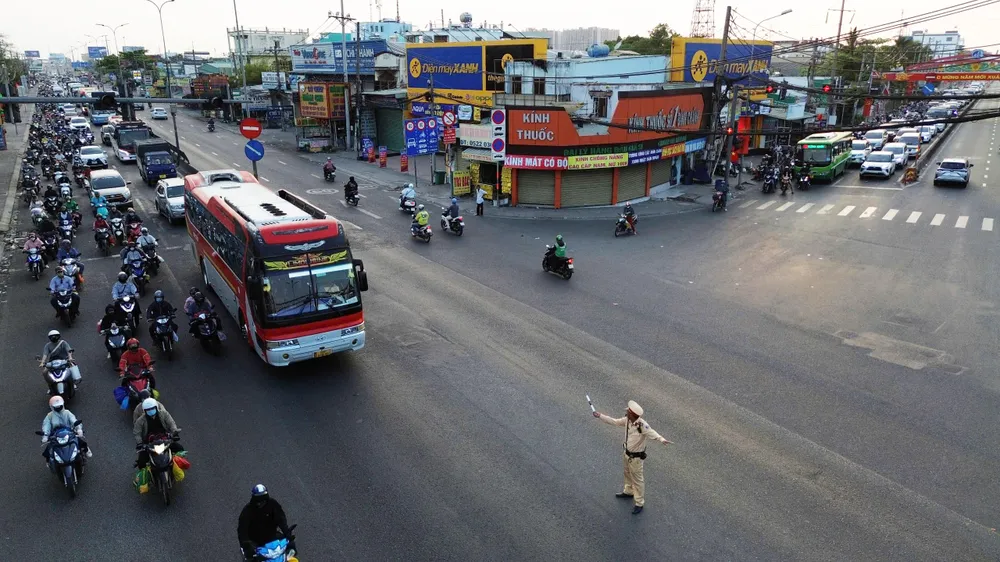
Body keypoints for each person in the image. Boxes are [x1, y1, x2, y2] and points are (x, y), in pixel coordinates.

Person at [592, 400, 672, 514]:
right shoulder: (627, 421)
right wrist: (600, 416)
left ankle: (639, 502)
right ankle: (628, 491)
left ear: (633, 415)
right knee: (627, 473)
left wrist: (661, 439)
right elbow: (614, 421)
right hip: (627, 453)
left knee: (638, 480)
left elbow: (652, 432)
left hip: (636, 458)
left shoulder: (642, 425)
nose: (626, 413)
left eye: (628, 412)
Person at [238, 484, 296, 559]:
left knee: (291, 548)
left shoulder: (273, 505)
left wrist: (287, 533)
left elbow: (281, 519)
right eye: (258, 500)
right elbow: (242, 530)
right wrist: (246, 544)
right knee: (250, 558)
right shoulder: (247, 511)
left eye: (263, 499)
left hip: (271, 538)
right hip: (254, 542)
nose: (260, 502)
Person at [133, 397, 182, 469]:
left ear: (156, 407)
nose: (150, 411)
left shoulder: (164, 414)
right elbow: (137, 433)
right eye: (148, 410)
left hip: (165, 439)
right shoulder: (140, 420)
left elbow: (171, 423)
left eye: (152, 408)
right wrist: (140, 443)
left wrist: (174, 432)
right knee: (141, 463)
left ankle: (179, 466)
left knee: (180, 449)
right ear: (144, 411)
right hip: (149, 443)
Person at [41, 395, 91, 461]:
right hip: (56, 435)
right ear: (52, 407)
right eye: (56, 407)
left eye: (60, 406)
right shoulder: (49, 416)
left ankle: (86, 450)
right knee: (48, 450)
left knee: (81, 442)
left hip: (69, 432)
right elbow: (46, 425)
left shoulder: (67, 413)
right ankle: (49, 461)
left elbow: (73, 420)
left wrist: (79, 429)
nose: (58, 408)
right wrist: (45, 435)